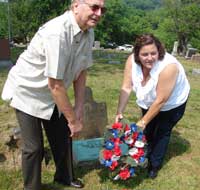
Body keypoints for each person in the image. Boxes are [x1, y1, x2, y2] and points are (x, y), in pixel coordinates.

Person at [1, 0, 106, 189]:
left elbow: (82, 71)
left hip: (54, 94)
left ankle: (64, 177)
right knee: (33, 147)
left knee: (63, 136)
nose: (99, 13)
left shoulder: (89, 32)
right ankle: (32, 187)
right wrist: (73, 120)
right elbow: (55, 84)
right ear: (76, 6)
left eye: (102, 9)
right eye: (94, 7)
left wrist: (79, 106)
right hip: (28, 92)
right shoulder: (56, 33)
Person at [115, 34, 190, 179]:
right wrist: (120, 111)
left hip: (172, 103)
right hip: (149, 100)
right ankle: (141, 156)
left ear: (159, 52)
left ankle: (154, 166)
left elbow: (161, 100)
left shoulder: (169, 67)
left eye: (153, 53)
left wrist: (142, 122)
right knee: (148, 130)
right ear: (137, 54)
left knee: (162, 131)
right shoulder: (131, 61)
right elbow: (126, 86)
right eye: (144, 54)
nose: (149, 58)